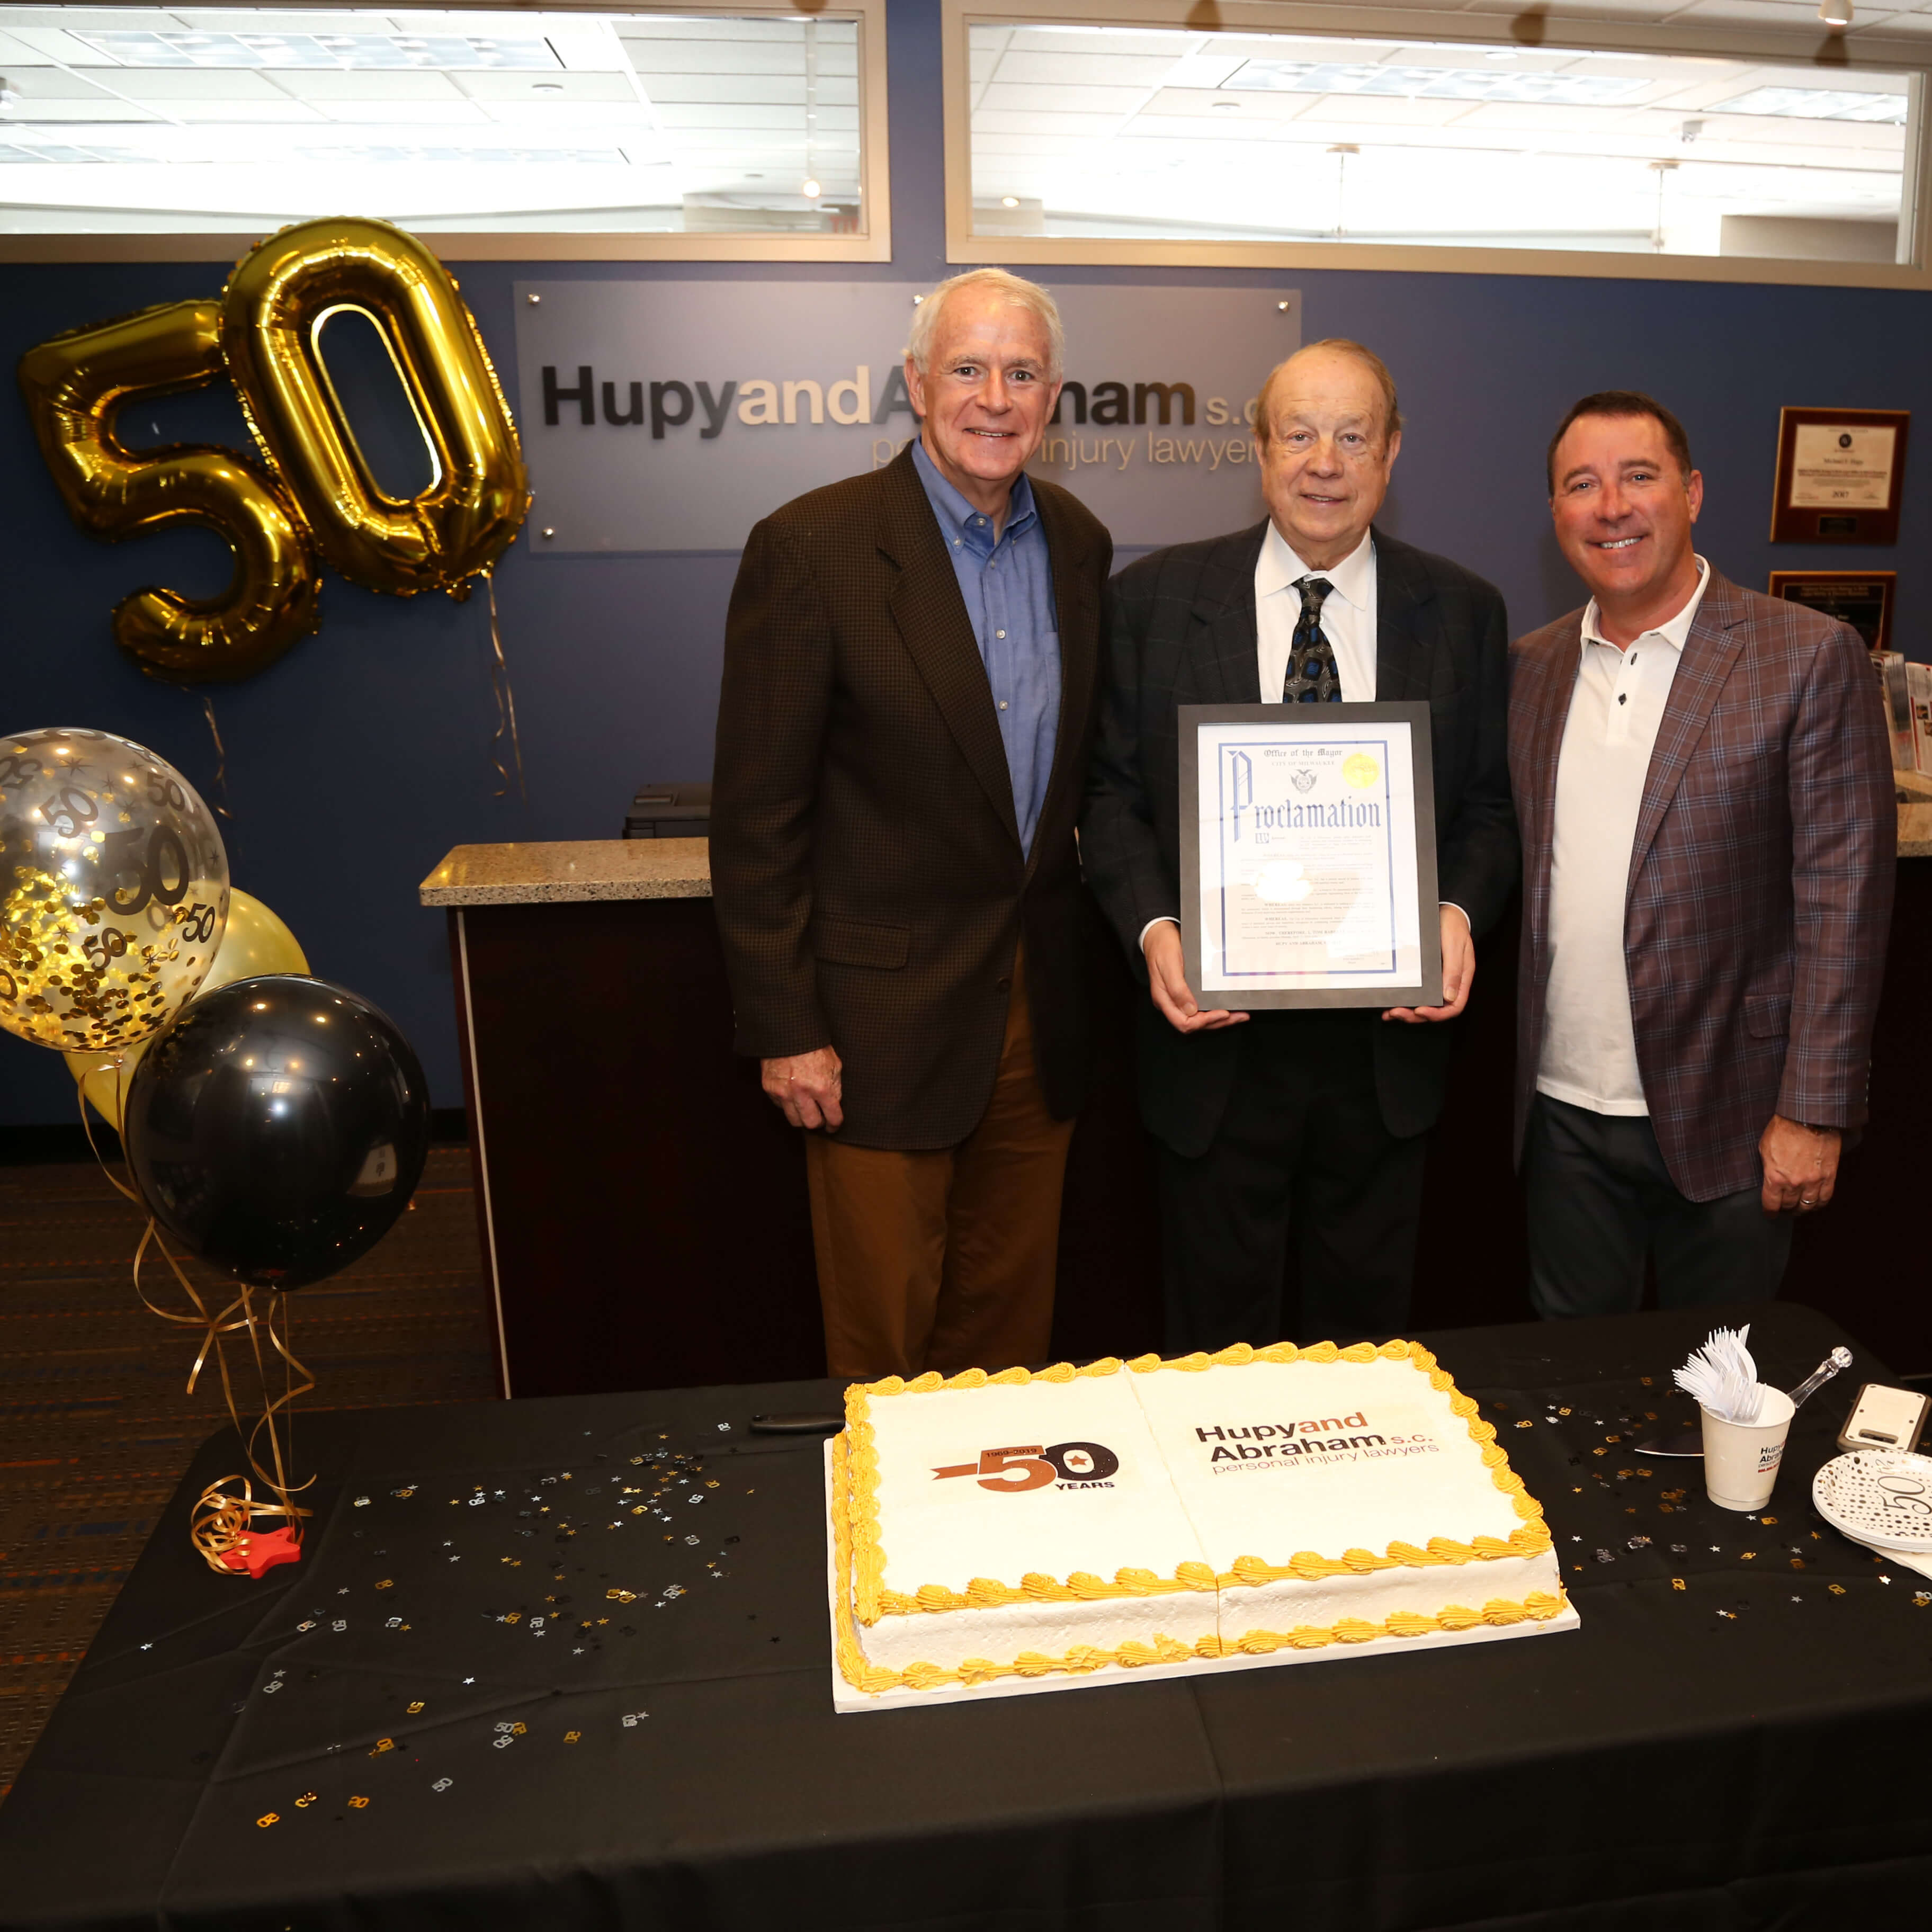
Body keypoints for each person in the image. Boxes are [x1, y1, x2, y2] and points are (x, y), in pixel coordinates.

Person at [711, 268, 1112, 1381]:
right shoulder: (814, 548)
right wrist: (786, 1025)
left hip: (1036, 1010)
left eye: (1021, 372)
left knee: (1007, 1328)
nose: (996, 397)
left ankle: (999, 1535)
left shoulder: (1079, 544)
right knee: (885, 1345)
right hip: (874, 1021)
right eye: (969, 369)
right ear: (916, 383)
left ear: (1053, 393)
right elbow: (757, 818)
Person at [1080, 339, 1515, 1353]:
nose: (1326, 461)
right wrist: (1155, 929)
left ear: (1392, 452)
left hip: (1384, 1053)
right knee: (1214, 1357)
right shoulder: (1152, 603)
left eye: (1353, 435)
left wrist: (1452, 914)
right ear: (1262, 449)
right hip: (1216, 1054)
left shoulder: (1461, 611)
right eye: (1301, 433)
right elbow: (1110, 799)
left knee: (1367, 1361)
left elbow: (1489, 809)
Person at [1510, 390, 1895, 1317]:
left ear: (1691, 493)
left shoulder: (1805, 655)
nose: (1612, 506)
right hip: (1562, 1118)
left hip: (1734, 1117)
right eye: (1582, 484)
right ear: (1556, 514)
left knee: (1716, 1411)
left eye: (1638, 477)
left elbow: (1845, 898)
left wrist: (1814, 1110)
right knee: (1571, 1398)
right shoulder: (1531, 665)